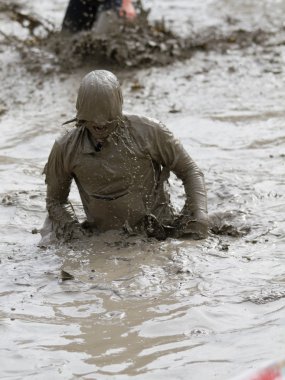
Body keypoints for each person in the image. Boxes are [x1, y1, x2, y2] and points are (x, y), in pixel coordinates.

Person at [42, 70, 208, 242]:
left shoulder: (150, 132)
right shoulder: (66, 148)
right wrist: (76, 236)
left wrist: (198, 216)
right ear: (81, 115)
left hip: (158, 232)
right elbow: (55, 202)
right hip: (103, 237)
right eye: (94, 122)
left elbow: (190, 171)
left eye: (108, 122)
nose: (100, 125)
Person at [62, 0, 136, 33]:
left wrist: (126, 3)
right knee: (65, 41)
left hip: (111, 3)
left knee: (101, 43)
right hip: (81, 2)